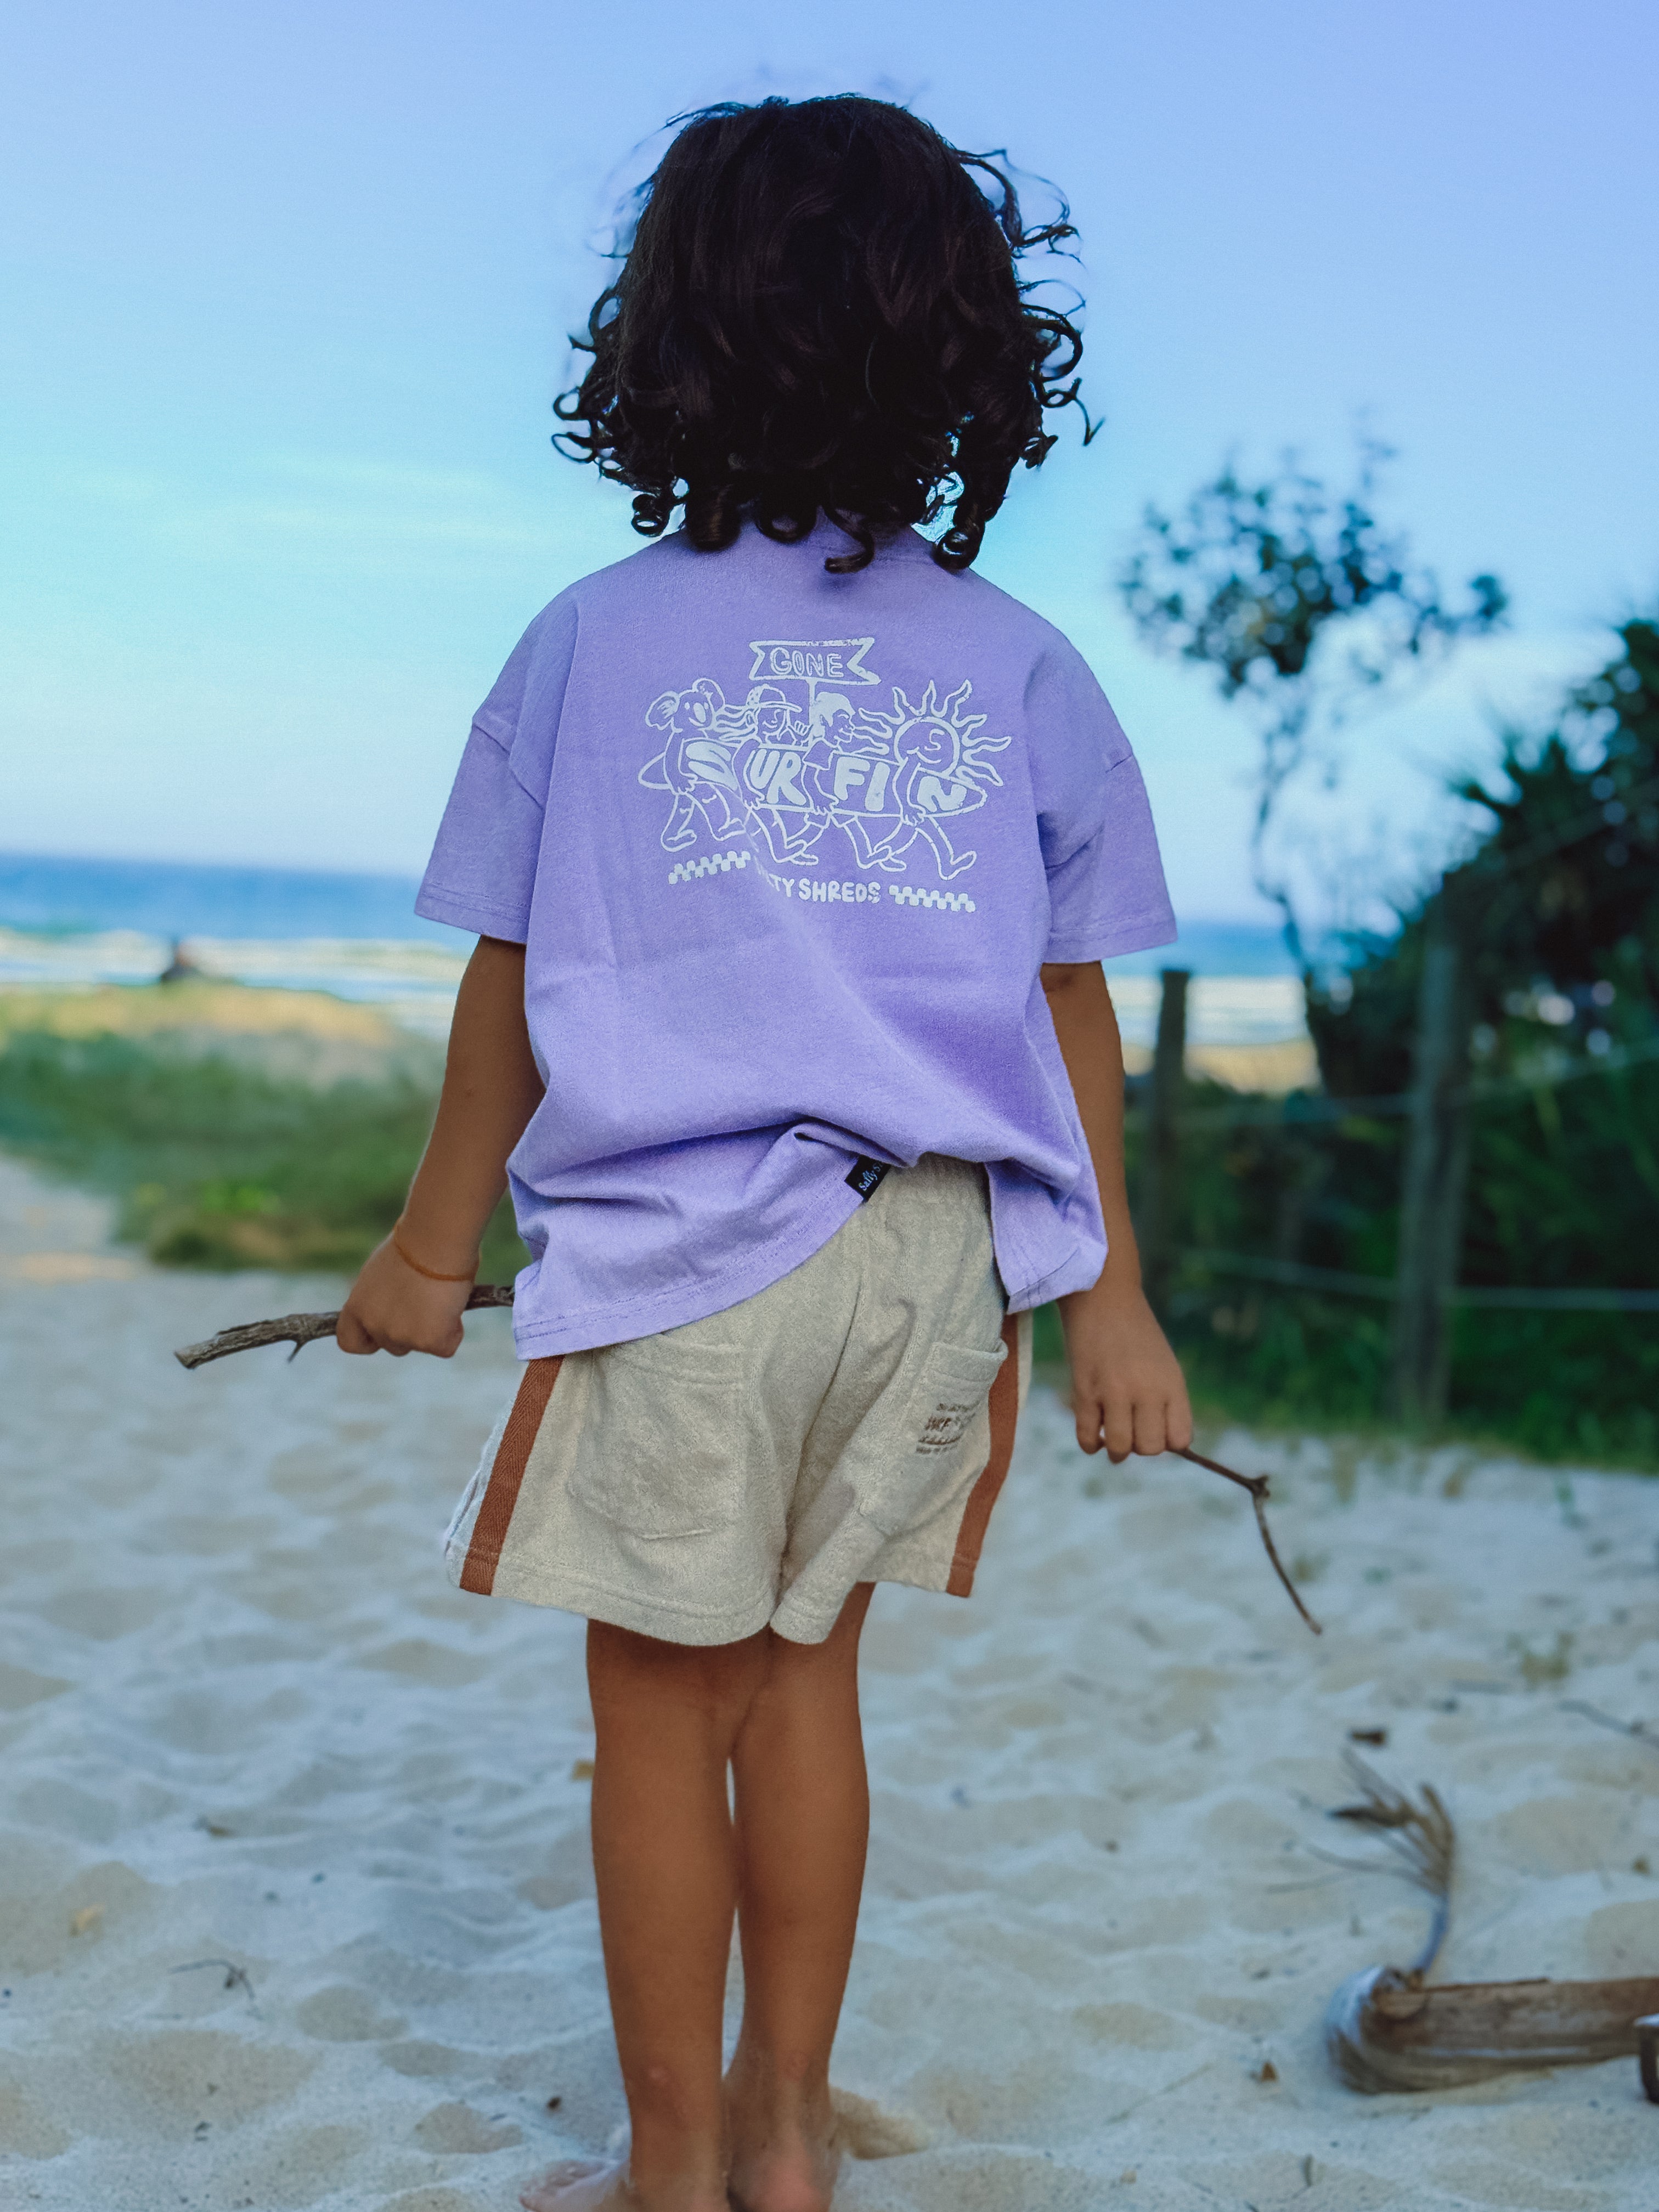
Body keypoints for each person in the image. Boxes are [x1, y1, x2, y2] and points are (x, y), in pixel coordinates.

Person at [337, 94, 1192, 2212]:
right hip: (934, 1259)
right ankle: (789, 2138)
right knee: (808, 1680)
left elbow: (513, 983)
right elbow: (1071, 1007)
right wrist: (1115, 1298)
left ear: (670, 342)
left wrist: (430, 1253)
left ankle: (669, 2166)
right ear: (965, 356)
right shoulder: (1026, 666)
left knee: (658, 1703)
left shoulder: (594, 637)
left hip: (693, 1249)